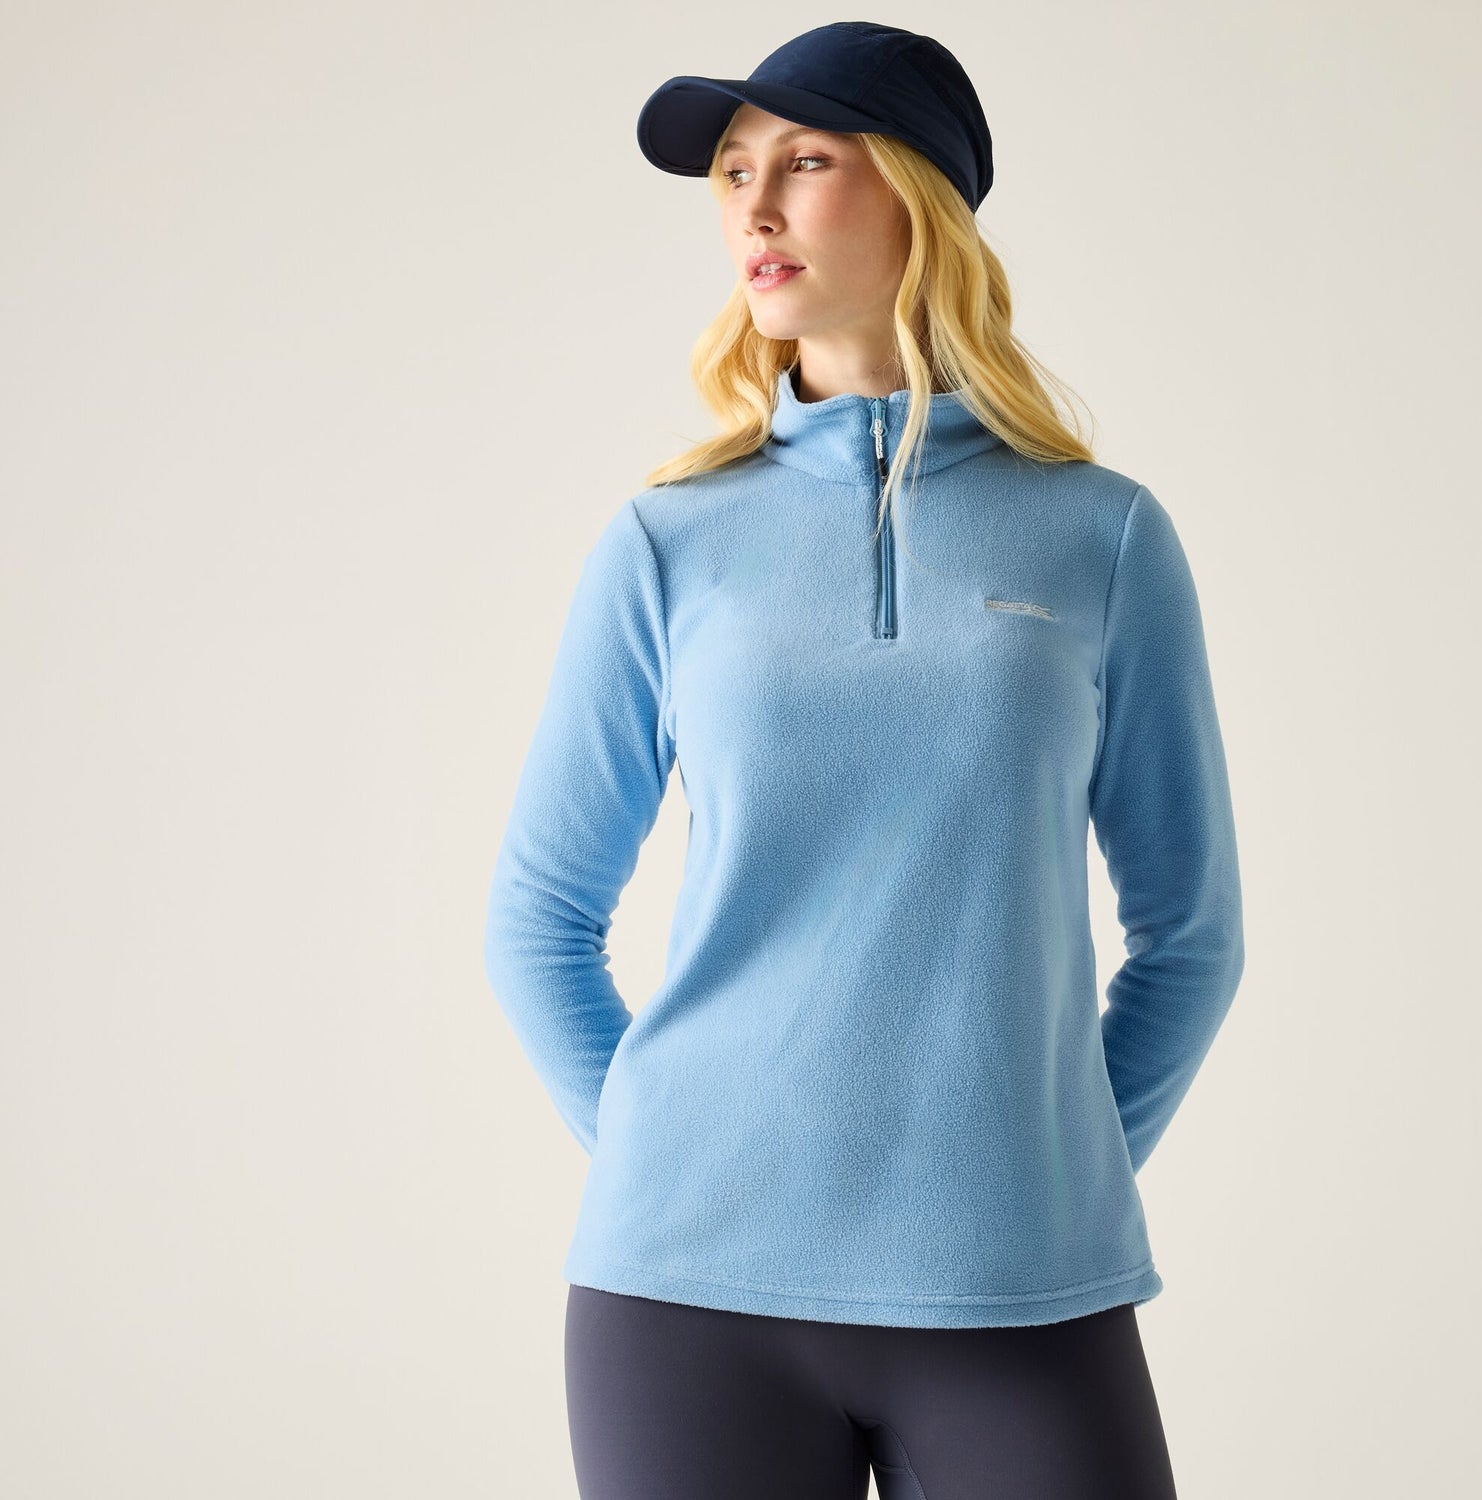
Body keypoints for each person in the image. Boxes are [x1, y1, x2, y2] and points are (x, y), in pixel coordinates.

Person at [483, 21, 1245, 1499]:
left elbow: (1191, 935)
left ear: (918, 196)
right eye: (733, 173)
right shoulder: (667, 542)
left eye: (805, 162)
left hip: (1018, 1289)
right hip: (686, 1297)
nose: (754, 208)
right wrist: (659, 1156)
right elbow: (538, 916)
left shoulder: (1101, 535)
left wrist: (1043, 1176)